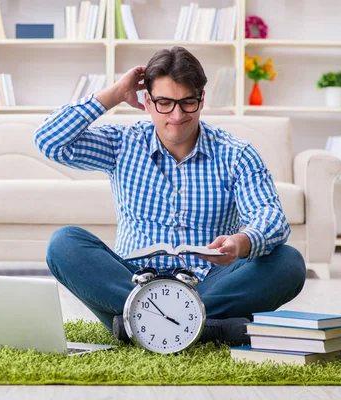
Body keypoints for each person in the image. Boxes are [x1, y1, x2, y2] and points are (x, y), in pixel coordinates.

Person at [34, 46, 306, 346]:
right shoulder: (122, 143)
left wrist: (241, 242)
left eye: (187, 103)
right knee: (64, 243)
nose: (176, 116)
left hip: (209, 284)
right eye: (164, 103)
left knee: (288, 262)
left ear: (202, 100)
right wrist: (114, 94)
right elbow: (50, 140)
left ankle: (141, 326)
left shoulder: (236, 154)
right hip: (132, 282)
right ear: (147, 101)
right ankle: (206, 328)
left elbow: (271, 218)